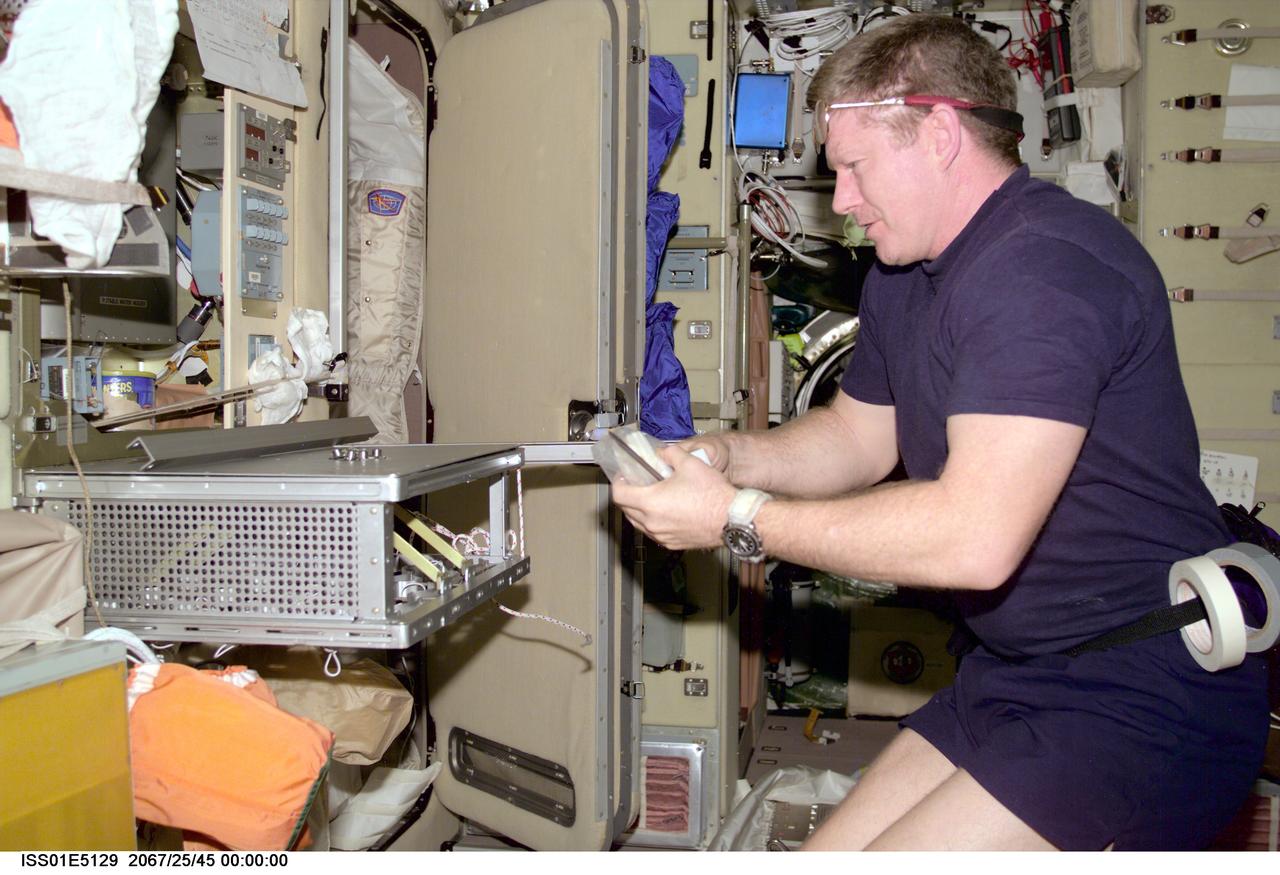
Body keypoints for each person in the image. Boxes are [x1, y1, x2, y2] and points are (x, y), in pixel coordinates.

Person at [611, 14, 1270, 851]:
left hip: (1141, 690)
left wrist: (735, 515)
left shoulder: (1046, 269)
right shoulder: (904, 273)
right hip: (1020, 673)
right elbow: (857, 437)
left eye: (853, 167)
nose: (841, 199)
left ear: (942, 135)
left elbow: (975, 539)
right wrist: (728, 453)